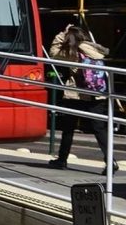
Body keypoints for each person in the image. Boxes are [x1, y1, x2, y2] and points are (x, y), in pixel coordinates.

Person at [48, 24, 119, 175]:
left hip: (77, 94)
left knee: (68, 128)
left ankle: (62, 159)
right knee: (99, 129)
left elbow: (53, 52)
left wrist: (63, 33)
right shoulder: (95, 50)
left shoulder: (73, 51)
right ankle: (111, 160)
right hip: (98, 94)